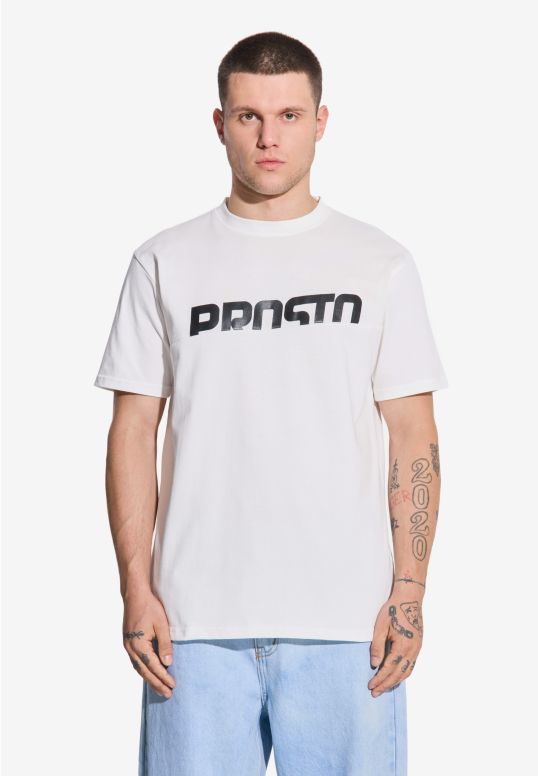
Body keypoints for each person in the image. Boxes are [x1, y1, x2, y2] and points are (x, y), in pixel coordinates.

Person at [93, 30, 448, 776]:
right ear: (219, 124)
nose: (268, 137)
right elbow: (133, 430)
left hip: (348, 625)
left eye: (289, 115)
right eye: (249, 116)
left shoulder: (379, 262)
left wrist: (409, 592)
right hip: (192, 626)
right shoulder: (163, 261)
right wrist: (136, 589)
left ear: (321, 122)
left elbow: (414, 436)